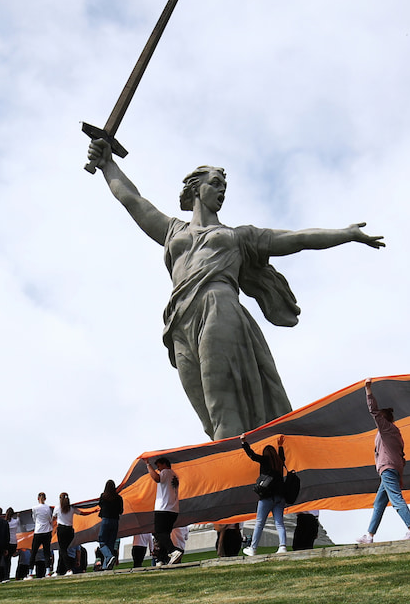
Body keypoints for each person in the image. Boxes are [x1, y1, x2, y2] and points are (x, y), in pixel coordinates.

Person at [87, 139, 385, 441]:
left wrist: (346, 234)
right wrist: (107, 164)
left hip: (219, 305)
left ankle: (231, 478)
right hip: (179, 320)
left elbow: (297, 238)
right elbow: (133, 200)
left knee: (222, 406)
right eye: (215, 184)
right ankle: (237, 465)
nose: (221, 192)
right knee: (206, 413)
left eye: (224, 188)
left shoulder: (238, 237)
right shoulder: (172, 231)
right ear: (195, 189)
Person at [356, 378, 410, 543]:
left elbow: (373, 411)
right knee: (379, 503)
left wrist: (368, 390)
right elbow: (401, 457)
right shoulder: (395, 433)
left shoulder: (385, 429)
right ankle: (369, 536)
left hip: (387, 469)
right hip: (392, 470)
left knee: (396, 499)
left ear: (384, 420)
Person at [240, 433, 288, 556]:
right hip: (280, 497)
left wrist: (244, 442)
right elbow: (282, 456)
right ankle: (282, 546)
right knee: (279, 522)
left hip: (266, 497)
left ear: (265, 453)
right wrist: (280, 446)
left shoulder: (265, 461)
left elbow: (252, 455)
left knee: (260, 523)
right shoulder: (279, 462)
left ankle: (253, 548)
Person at [145, 457, 181, 565]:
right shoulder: (175, 475)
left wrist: (148, 465)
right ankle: (162, 558)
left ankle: (173, 551)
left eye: (159, 466)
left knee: (159, 533)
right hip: (173, 509)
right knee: (165, 534)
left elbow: (156, 478)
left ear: (164, 464)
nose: (158, 469)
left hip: (163, 508)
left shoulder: (166, 472)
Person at [54, 493, 89, 576]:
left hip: (61, 529)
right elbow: (81, 513)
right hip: (70, 531)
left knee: (63, 550)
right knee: (64, 550)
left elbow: (53, 518)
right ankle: (59, 570)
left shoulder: (57, 508)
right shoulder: (72, 508)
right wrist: (91, 511)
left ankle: (68, 569)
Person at [96, 480, 124, 570]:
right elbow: (121, 511)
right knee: (111, 543)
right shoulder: (118, 498)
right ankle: (106, 566)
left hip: (105, 520)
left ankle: (108, 557)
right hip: (115, 521)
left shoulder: (103, 496)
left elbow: (100, 505)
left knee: (102, 541)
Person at [29, 492, 54, 578]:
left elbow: (34, 519)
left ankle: (30, 572)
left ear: (37, 498)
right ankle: (48, 571)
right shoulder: (48, 508)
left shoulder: (34, 508)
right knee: (47, 552)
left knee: (34, 552)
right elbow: (50, 518)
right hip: (47, 531)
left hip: (38, 531)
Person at [4, 508, 19, 582]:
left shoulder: (5, 522)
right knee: (9, 560)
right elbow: (19, 521)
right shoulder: (16, 521)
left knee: (5, 560)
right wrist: (18, 516)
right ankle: (7, 575)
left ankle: (5, 576)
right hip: (14, 542)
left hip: (6, 543)